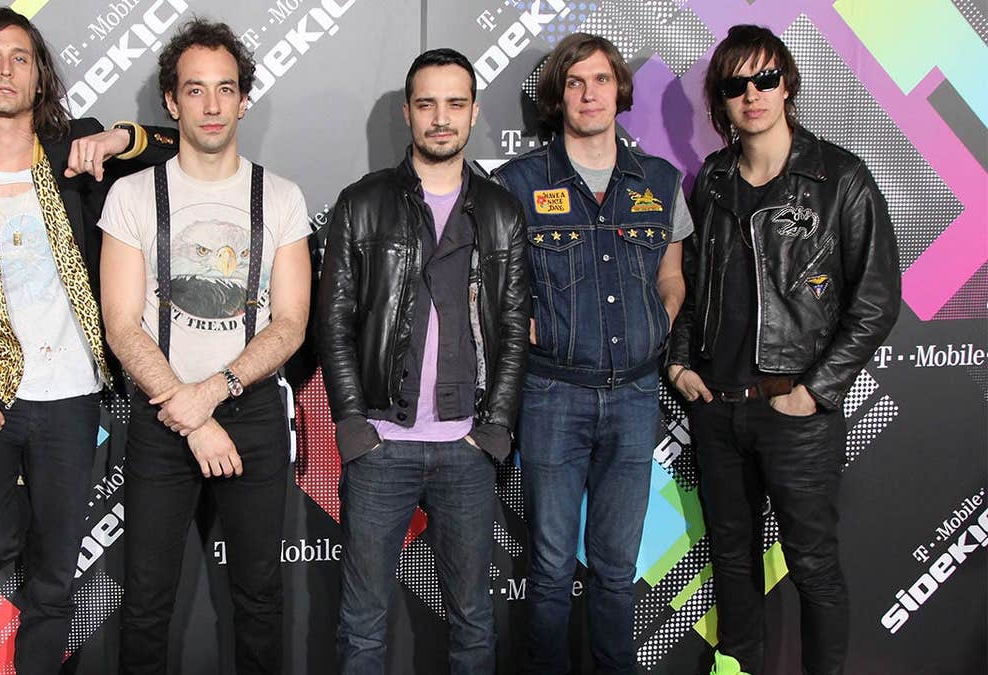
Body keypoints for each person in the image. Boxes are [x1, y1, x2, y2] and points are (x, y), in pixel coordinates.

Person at [0, 7, 174, 674]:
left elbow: (179, 146)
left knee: (54, 575)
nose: (6, 70)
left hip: (72, 394)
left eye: (20, 56)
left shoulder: (75, 149)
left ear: (40, 75)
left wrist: (120, 137)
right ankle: (37, 520)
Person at [666, 24, 900, 675]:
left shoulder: (840, 178)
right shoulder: (712, 179)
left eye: (765, 78)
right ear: (721, 98)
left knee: (812, 564)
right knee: (730, 557)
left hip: (794, 413)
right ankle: (736, 666)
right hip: (718, 408)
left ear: (787, 84)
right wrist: (680, 361)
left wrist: (814, 391)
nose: (753, 94)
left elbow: (877, 299)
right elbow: (689, 283)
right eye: (736, 84)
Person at [96, 17, 311, 675]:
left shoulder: (281, 197)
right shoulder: (132, 194)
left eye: (225, 89)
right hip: (161, 418)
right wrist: (188, 414)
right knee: (146, 602)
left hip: (251, 415)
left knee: (259, 598)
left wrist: (212, 395)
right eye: (195, 89)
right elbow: (121, 325)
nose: (212, 105)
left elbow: (290, 324)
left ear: (243, 100)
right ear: (171, 101)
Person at [315, 48, 530, 674]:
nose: (441, 118)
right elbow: (334, 322)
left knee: (473, 622)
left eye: (455, 104)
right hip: (382, 445)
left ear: (474, 113)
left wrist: (494, 428)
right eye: (427, 103)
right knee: (362, 624)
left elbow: (513, 329)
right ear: (407, 113)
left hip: (467, 448)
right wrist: (353, 424)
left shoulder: (501, 211)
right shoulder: (362, 203)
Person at [492, 33, 692, 675]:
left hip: (636, 396)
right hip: (551, 395)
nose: (589, 94)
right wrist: (522, 327)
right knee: (551, 567)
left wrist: (656, 323)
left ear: (619, 90)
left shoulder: (659, 181)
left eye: (601, 79)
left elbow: (672, 276)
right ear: (558, 96)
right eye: (574, 82)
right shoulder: (516, 184)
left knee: (616, 569)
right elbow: (489, 284)